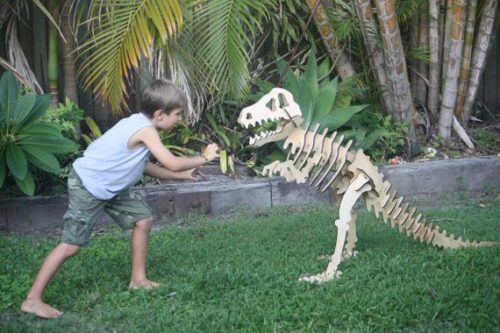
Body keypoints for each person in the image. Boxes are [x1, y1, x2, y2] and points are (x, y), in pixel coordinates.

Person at [21, 79, 219, 319]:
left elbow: (144, 165)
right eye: (177, 114)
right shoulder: (145, 129)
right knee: (71, 245)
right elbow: (172, 161)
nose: (179, 119)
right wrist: (204, 158)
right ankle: (32, 300)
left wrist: (181, 176)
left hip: (110, 187)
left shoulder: (141, 124)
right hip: (89, 185)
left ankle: (138, 279)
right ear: (159, 114)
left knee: (143, 219)